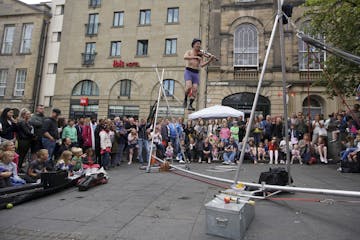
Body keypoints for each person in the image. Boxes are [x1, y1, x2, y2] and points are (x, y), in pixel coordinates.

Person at [183, 38, 215, 111]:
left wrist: (209, 60)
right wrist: (196, 57)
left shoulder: (201, 54)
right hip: (188, 71)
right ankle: (185, 98)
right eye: (197, 44)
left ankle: (190, 105)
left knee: (195, 89)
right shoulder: (189, 52)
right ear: (193, 45)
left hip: (196, 73)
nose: (199, 45)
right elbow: (185, 57)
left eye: (199, 44)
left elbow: (202, 65)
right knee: (188, 87)